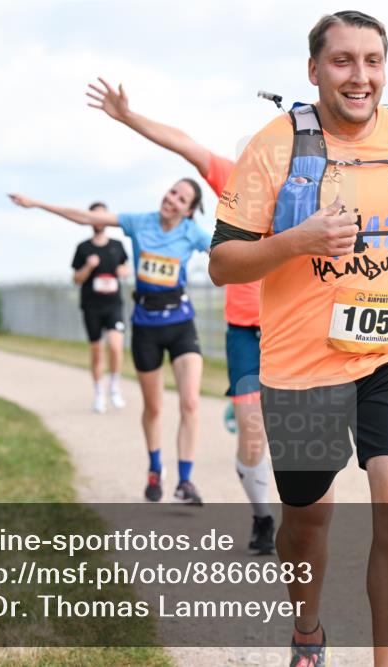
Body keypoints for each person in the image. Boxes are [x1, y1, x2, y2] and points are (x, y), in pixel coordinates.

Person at [209, 11, 388, 667]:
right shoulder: (273, 146)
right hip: (302, 365)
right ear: (314, 69)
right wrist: (300, 240)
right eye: (343, 61)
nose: (360, 76)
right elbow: (223, 263)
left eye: (372, 61)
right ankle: (307, 629)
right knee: (306, 520)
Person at [87, 77, 274, 551]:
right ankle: (263, 518)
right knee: (255, 435)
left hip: (298, 330)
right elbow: (185, 145)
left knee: (304, 441)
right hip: (247, 331)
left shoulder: (314, 192)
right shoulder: (234, 178)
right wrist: (128, 117)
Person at [9, 180, 212, 505]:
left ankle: (185, 481)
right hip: (146, 325)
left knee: (190, 402)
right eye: (172, 191)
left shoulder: (193, 233)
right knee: (154, 407)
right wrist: (37, 203)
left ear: (189, 210)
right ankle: (155, 469)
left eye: (181, 198)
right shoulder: (139, 222)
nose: (171, 199)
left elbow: (230, 253)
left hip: (181, 323)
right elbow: (87, 219)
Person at [71, 201, 130, 413]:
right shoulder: (83, 248)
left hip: (113, 304)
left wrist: (124, 271)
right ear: (89, 219)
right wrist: (89, 266)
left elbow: (125, 268)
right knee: (96, 352)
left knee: (115, 346)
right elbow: (76, 278)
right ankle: (99, 392)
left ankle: (114, 384)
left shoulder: (117, 246)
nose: (98, 219)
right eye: (94, 215)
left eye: (102, 215)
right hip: (91, 306)